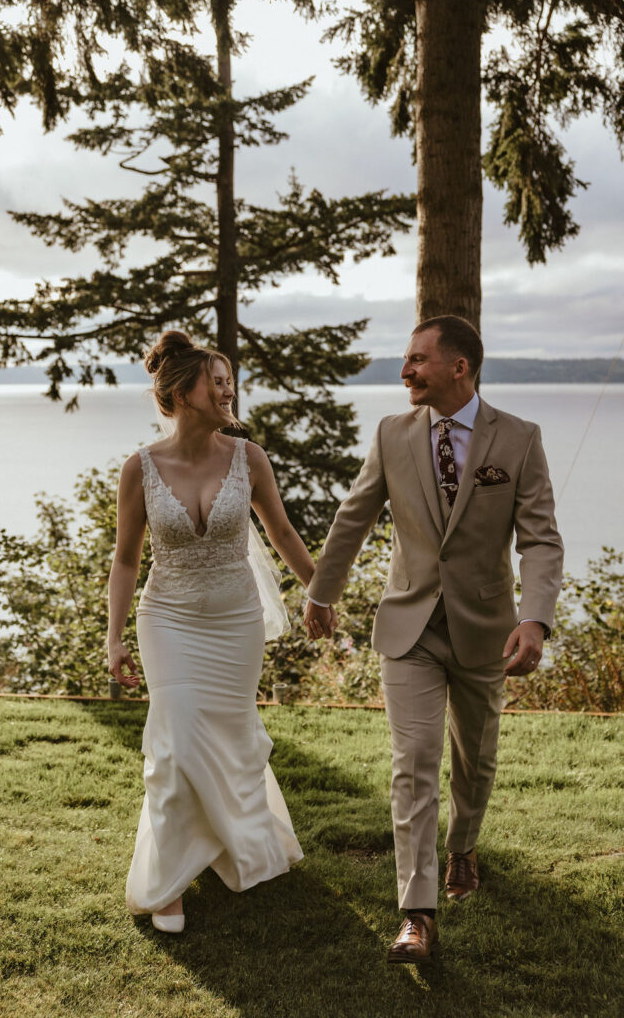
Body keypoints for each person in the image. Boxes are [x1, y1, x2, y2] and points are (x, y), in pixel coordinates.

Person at [304, 315, 563, 962]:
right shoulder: (392, 434)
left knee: (474, 763)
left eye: (417, 359)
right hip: (408, 628)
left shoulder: (520, 439)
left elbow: (539, 538)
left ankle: (463, 843)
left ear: (459, 367)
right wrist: (320, 591)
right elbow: (354, 514)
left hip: (485, 634)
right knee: (413, 764)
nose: (404, 371)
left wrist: (533, 618)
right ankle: (416, 914)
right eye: (405, 359)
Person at [107, 330, 333, 933]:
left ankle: (235, 846)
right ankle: (169, 884)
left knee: (232, 739)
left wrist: (321, 591)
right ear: (182, 392)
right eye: (217, 379)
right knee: (174, 743)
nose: (228, 388)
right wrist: (114, 636)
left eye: (230, 379)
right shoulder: (140, 469)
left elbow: (282, 534)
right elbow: (126, 559)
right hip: (168, 618)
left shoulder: (248, 458)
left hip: (236, 621)